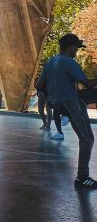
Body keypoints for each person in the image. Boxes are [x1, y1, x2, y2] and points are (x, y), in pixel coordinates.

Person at [40, 34, 97, 189]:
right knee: (86, 139)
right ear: (70, 46)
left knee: (87, 136)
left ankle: (82, 177)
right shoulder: (68, 61)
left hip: (59, 103)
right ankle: (82, 178)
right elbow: (87, 84)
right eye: (76, 48)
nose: (77, 51)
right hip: (71, 103)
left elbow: (40, 85)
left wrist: (54, 96)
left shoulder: (51, 62)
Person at [35, 72, 64, 140]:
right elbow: (36, 86)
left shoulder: (51, 78)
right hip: (40, 95)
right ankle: (45, 123)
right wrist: (38, 92)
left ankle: (48, 126)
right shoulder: (39, 77)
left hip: (48, 95)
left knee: (49, 111)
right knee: (40, 110)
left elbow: (52, 87)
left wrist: (46, 93)